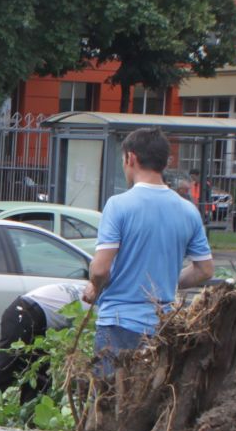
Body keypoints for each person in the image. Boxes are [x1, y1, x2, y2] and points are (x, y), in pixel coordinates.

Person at [88, 128, 215, 371]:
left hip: (118, 326)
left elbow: (101, 269)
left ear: (131, 158)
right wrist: (162, 282)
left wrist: (94, 284)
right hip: (161, 329)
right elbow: (205, 270)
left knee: (108, 402)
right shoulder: (188, 210)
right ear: (165, 162)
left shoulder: (118, 205)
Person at [0, 280, 90, 421]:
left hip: (35, 318)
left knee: (40, 378)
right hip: (26, 313)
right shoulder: (100, 306)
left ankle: (30, 423)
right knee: (2, 371)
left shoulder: (89, 290)